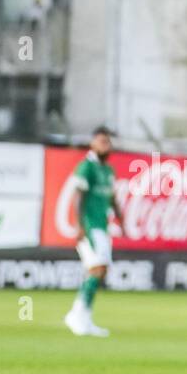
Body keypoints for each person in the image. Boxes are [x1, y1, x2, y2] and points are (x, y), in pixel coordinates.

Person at [64, 127, 123, 337]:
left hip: (102, 226)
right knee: (97, 268)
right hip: (89, 227)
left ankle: (85, 317)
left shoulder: (108, 171)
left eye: (108, 141)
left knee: (100, 271)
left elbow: (112, 198)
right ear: (92, 144)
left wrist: (120, 218)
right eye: (102, 141)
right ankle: (76, 315)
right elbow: (78, 196)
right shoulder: (86, 167)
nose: (106, 145)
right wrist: (79, 225)